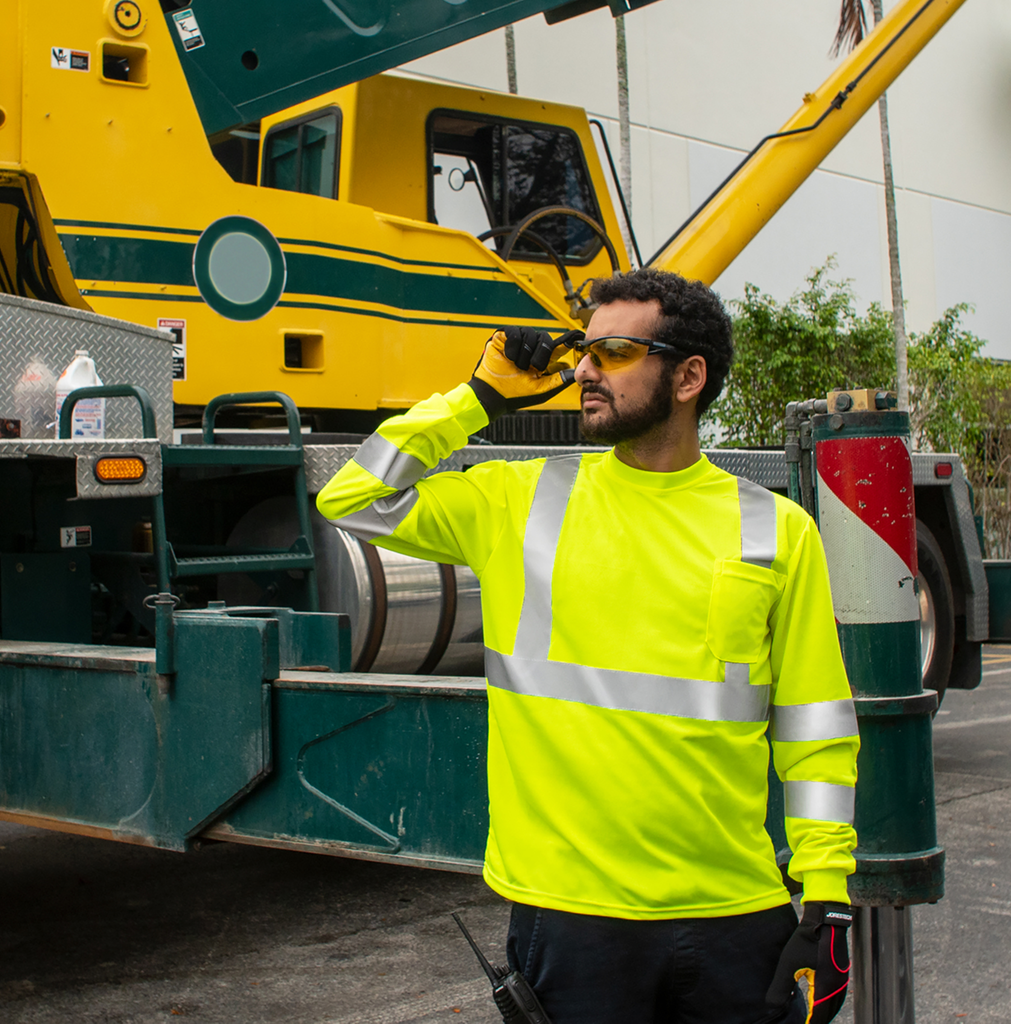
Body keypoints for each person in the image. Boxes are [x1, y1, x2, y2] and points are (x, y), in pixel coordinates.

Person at [316, 269, 859, 1024]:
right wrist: (480, 398)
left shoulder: (774, 531)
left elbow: (816, 731)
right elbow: (350, 497)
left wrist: (827, 895)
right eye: (584, 350)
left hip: (737, 913)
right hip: (570, 921)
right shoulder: (519, 500)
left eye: (614, 352)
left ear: (688, 376)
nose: (582, 370)